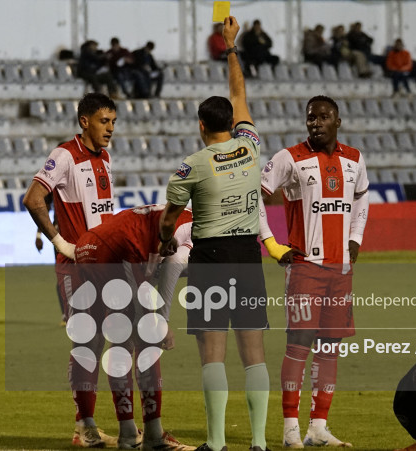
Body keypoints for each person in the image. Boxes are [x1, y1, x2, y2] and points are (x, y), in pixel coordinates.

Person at [159, 16, 270, 451]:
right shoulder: (250, 146)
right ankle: (260, 443)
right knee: (254, 355)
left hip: (210, 259)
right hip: (248, 256)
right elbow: (239, 93)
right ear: (232, 123)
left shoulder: (192, 165)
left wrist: (168, 241)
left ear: (202, 126)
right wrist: (231, 46)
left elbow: (169, 221)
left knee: (212, 353)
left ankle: (218, 443)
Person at [259, 95, 369, 448]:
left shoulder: (355, 159)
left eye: (323, 117)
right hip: (305, 267)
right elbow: (253, 196)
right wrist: (271, 243)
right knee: (299, 345)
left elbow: (362, 199)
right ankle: (291, 428)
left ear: (338, 121)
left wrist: (355, 238)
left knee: (330, 346)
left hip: (341, 270)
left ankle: (318, 426)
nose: (315, 123)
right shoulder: (289, 158)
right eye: (310, 118)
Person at [22, 92, 120, 448]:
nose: (109, 128)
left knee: (102, 341)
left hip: (107, 266)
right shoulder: (64, 155)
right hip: (77, 268)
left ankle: (87, 425)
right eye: (103, 121)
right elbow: (33, 198)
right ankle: (85, 425)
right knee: (87, 342)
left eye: (112, 122)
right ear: (84, 121)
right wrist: (60, 243)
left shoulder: (105, 158)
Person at [73, 204, 196, 451]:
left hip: (89, 248)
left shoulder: (182, 213)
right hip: (119, 251)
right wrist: (161, 321)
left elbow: (161, 262)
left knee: (122, 341)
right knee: (147, 339)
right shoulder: (198, 226)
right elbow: (173, 264)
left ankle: (129, 433)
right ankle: (152, 436)